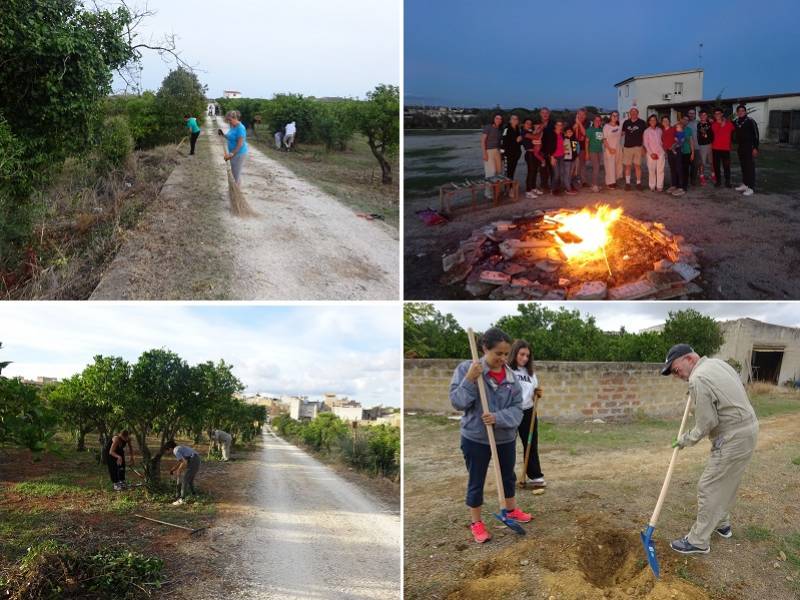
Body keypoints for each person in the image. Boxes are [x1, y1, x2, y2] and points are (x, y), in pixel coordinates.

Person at [661, 344, 759, 555]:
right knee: (727, 482)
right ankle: (722, 524)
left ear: (688, 359)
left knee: (709, 486)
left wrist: (685, 440)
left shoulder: (698, 379)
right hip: (749, 430)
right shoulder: (717, 364)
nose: (676, 376)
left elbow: (707, 423)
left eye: (676, 370)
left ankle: (698, 541)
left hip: (732, 436)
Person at [450, 327, 530, 544]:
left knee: (508, 476)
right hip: (476, 437)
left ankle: (510, 510)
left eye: (506, 354)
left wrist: (498, 417)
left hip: (504, 437)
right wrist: (469, 379)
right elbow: (457, 402)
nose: (503, 359)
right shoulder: (467, 369)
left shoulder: (512, 377)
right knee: (476, 480)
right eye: (498, 354)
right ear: (485, 349)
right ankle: (476, 522)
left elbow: (517, 409)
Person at [508, 340, 545, 489]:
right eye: (522, 354)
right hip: (511, 410)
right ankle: (508, 477)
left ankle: (534, 476)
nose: (524, 358)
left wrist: (537, 393)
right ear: (515, 353)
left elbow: (533, 389)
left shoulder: (531, 373)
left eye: (527, 356)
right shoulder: (507, 370)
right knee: (508, 444)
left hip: (529, 411)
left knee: (530, 443)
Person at [733, 104, 759, 196]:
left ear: (745, 112)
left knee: (750, 167)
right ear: (737, 112)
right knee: (743, 166)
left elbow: (756, 135)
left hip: (749, 147)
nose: (740, 112)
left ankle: (751, 187)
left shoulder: (751, 121)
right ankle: (745, 184)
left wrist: (755, 148)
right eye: (739, 111)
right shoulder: (736, 122)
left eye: (742, 111)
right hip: (741, 147)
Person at [165, 440, 201, 506]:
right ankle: (194, 494)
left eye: (167, 450)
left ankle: (181, 499)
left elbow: (184, 462)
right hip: (196, 459)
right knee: (190, 479)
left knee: (185, 480)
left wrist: (179, 470)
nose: (167, 452)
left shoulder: (175, 451)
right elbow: (182, 460)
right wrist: (174, 468)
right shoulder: (178, 448)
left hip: (193, 460)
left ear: (170, 448)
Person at [218, 110, 248, 185]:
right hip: (233, 154)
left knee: (235, 176)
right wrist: (223, 134)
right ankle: (235, 191)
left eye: (230, 120)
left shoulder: (240, 128)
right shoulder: (233, 126)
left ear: (235, 118)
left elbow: (240, 144)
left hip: (238, 154)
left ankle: (236, 193)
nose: (229, 122)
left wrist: (231, 154)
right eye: (228, 120)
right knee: (235, 173)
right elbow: (230, 137)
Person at [620, 107, 646, 190]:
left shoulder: (642, 122)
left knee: (637, 166)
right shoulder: (626, 122)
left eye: (635, 112)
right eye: (632, 112)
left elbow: (644, 135)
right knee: (627, 166)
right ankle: (627, 183)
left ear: (637, 113)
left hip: (638, 147)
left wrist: (643, 146)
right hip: (627, 147)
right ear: (629, 113)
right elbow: (622, 133)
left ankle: (638, 183)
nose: (633, 113)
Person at [481, 113, 504, 199]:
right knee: (490, 172)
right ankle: (488, 193)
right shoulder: (488, 127)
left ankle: (497, 191)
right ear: (493, 119)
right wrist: (484, 153)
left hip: (497, 151)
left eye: (500, 119)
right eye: (497, 118)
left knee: (498, 172)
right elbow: (483, 141)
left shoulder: (499, 129)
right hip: (489, 151)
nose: (499, 120)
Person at [711, 108, 735, 188]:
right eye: (715, 114)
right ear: (714, 116)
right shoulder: (713, 125)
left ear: (722, 114)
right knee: (716, 166)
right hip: (715, 148)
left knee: (726, 166)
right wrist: (722, 124)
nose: (717, 115)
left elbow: (734, 131)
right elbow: (716, 132)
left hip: (725, 149)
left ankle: (727, 182)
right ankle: (718, 181)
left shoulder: (729, 124)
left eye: (719, 113)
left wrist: (725, 122)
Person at [521, 119, 544, 198]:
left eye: (530, 124)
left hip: (535, 154)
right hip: (530, 154)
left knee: (534, 171)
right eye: (527, 123)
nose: (529, 125)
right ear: (524, 124)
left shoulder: (530, 131)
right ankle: (528, 191)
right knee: (530, 172)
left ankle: (533, 188)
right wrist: (541, 129)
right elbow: (537, 137)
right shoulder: (523, 132)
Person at [643, 114, 665, 192]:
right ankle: (652, 185)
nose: (653, 121)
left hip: (660, 153)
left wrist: (663, 150)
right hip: (651, 154)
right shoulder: (646, 131)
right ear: (649, 121)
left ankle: (659, 186)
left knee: (660, 170)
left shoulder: (660, 130)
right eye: (651, 120)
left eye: (654, 120)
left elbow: (662, 141)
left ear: (656, 121)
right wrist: (651, 153)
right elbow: (646, 143)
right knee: (651, 170)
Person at [602, 111, 623, 189]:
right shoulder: (606, 127)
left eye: (617, 116)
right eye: (613, 115)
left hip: (617, 149)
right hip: (609, 149)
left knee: (617, 165)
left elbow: (621, 134)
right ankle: (609, 183)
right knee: (609, 166)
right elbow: (604, 139)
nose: (615, 117)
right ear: (610, 116)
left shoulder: (618, 126)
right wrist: (609, 149)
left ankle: (614, 181)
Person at [500, 114, 523, 180]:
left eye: (516, 119)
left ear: (518, 121)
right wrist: (502, 154)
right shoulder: (506, 129)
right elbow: (503, 141)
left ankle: (510, 187)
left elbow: (519, 142)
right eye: (513, 119)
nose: (515, 120)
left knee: (512, 170)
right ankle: (507, 188)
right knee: (507, 171)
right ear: (510, 120)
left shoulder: (518, 129)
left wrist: (520, 140)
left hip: (516, 153)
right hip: (508, 154)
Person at [585, 115, 604, 192]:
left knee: (597, 168)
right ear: (593, 121)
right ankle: (595, 185)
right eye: (596, 120)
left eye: (599, 120)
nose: (598, 122)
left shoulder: (601, 129)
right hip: (592, 151)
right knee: (596, 167)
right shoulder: (590, 130)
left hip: (599, 151)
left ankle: (594, 184)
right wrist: (587, 153)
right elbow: (586, 142)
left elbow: (602, 140)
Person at [662, 116, 681, 194]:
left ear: (669, 122)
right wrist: (666, 152)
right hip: (669, 152)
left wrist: (674, 146)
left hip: (675, 151)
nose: (665, 122)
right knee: (672, 169)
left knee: (678, 169)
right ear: (662, 123)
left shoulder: (673, 129)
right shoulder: (662, 131)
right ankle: (674, 185)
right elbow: (664, 142)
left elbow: (679, 138)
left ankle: (680, 187)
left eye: (666, 120)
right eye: (663, 121)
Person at [539, 108, 556, 191]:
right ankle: (544, 186)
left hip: (551, 151)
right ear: (540, 114)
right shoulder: (537, 123)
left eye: (546, 113)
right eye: (543, 113)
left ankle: (554, 186)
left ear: (549, 114)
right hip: (540, 151)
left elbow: (556, 137)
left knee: (553, 170)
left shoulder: (553, 123)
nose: (545, 114)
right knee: (543, 171)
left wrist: (553, 152)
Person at [695, 110, 714, 185]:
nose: (703, 116)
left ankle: (713, 175)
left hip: (711, 145)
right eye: (701, 115)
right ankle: (702, 177)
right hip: (702, 146)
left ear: (707, 116)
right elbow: (702, 132)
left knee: (712, 162)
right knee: (702, 163)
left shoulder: (711, 123)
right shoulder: (698, 124)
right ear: (699, 116)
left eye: (705, 115)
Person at [572, 108, 589, 187]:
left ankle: (583, 181)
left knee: (582, 164)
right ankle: (571, 180)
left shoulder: (587, 122)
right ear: (577, 114)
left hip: (582, 146)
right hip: (573, 145)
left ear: (585, 116)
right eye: (580, 114)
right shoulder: (572, 121)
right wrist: (576, 123)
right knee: (573, 164)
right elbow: (571, 130)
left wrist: (579, 123)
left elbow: (585, 133)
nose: (581, 116)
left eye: (583, 114)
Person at [678, 115, 695, 194]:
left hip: (687, 152)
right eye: (684, 119)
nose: (685, 121)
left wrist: (692, 153)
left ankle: (684, 185)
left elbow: (691, 142)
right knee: (678, 169)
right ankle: (678, 184)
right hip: (678, 152)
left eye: (687, 120)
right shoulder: (676, 128)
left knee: (685, 169)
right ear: (681, 119)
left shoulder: (689, 130)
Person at [561, 125, 579, 195]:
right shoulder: (564, 139)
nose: (569, 133)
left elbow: (576, 149)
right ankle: (568, 189)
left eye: (571, 131)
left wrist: (576, 156)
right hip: (567, 159)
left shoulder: (574, 139)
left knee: (571, 174)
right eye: (568, 132)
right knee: (567, 174)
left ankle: (569, 186)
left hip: (573, 159)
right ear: (565, 133)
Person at [549, 120, 566, 196]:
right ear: (555, 126)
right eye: (558, 125)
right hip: (554, 156)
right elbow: (548, 146)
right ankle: (553, 189)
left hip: (562, 156)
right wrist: (552, 157)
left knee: (561, 173)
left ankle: (557, 188)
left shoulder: (562, 134)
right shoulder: (551, 134)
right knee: (556, 174)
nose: (559, 126)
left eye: (561, 125)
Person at [685, 108, 699, 185]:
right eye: (690, 113)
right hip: (686, 147)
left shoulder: (698, 123)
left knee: (695, 165)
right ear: (688, 114)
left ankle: (693, 180)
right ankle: (686, 179)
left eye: (693, 113)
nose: (691, 115)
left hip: (696, 147)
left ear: (695, 114)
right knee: (686, 165)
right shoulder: (685, 122)